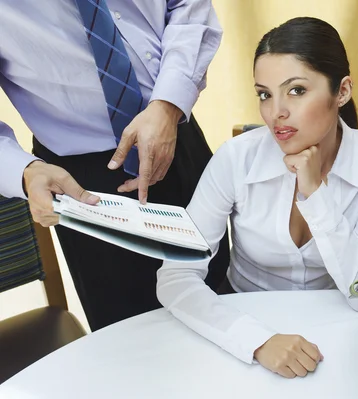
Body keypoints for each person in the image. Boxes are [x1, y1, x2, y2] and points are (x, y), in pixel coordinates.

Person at [157, 17, 358, 378]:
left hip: (345, 333)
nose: (276, 112)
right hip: (243, 327)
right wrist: (256, 341)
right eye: (265, 94)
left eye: (297, 90)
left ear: (342, 91)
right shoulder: (236, 158)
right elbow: (176, 276)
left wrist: (315, 192)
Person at [0, 1, 230, 331]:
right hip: (83, 182)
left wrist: (168, 105)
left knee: (224, 302)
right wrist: (25, 172)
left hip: (176, 132)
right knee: (132, 341)